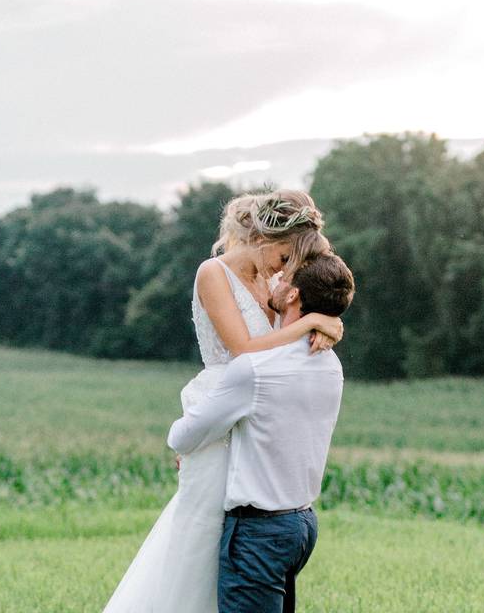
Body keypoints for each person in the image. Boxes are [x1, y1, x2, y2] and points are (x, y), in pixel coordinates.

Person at [102, 190, 343, 613]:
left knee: (248, 540)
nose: (285, 271)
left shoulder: (273, 281)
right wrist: (308, 323)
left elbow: (316, 285)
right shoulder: (212, 273)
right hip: (222, 408)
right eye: (285, 258)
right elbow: (245, 348)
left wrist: (326, 325)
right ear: (264, 239)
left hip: (253, 416)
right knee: (202, 538)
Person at [168, 252, 355, 612]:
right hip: (300, 524)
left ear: (293, 296)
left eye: (285, 277)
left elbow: (184, 438)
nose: (276, 280)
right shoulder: (330, 364)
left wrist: (189, 415)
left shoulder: (255, 369)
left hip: (258, 532)